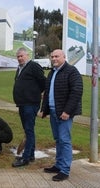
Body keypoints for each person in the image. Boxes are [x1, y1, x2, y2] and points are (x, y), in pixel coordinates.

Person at [41, 49, 83, 181]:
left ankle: (64, 170)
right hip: (54, 112)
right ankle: (58, 165)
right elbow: (47, 93)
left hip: (64, 113)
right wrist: (44, 109)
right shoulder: (52, 72)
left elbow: (76, 92)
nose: (54, 59)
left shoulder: (72, 71)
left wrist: (67, 112)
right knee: (58, 139)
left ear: (64, 57)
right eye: (52, 56)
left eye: (57, 56)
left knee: (64, 140)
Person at [12, 47, 46, 167]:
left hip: (30, 104)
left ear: (27, 55)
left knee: (29, 131)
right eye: (18, 56)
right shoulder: (20, 68)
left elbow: (43, 82)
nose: (20, 58)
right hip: (22, 104)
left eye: (22, 56)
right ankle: (30, 155)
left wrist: (38, 93)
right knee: (28, 130)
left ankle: (25, 158)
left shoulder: (33, 66)